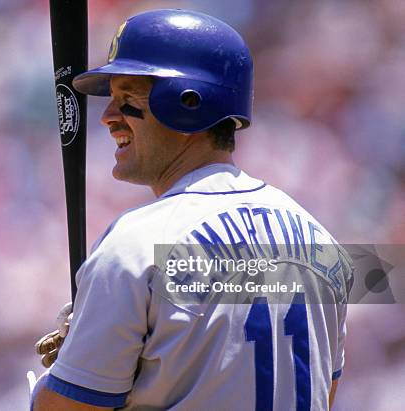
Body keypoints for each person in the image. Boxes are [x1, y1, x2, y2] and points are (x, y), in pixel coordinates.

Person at [32, 9, 351, 411]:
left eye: (127, 99)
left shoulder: (135, 245)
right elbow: (326, 393)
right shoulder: (323, 244)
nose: (109, 118)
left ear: (187, 102)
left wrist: (63, 371)